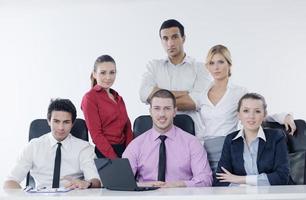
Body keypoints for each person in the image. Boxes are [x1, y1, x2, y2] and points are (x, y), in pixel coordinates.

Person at [200, 44, 296, 172]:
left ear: (229, 65)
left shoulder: (238, 91)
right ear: (207, 67)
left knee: (223, 185)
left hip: (227, 145)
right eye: (211, 63)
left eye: (221, 62)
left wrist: (284, 116)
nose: (216, 67)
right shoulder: (201, 94)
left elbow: (256, 112)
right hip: (204, 149)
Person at [139, 19, 211, 143]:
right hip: (160, 136)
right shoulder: (154, 66)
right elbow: (144, 93)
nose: (170, 43)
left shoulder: (200, 68)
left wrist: (159, 95)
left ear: (183, 38)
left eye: (174, 37)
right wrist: (185, 93)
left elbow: (196, 101)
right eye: (165, 38)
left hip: (191, 135)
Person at [3, 99, 101, 189]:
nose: (61, 128)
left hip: (72, 196)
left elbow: (95, 181)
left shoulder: (84, 148)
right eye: (56, 121)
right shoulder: (33, 147)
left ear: (72, 123)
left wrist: (87, 183)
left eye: (66, 122)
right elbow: (10, 181)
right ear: (49, 121)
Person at [123, 89, 212, 187]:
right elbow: (122, 182)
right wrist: (147, 185)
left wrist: (181, 185)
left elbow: (205, 180)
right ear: (150, 111)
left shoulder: (192, 143)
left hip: (181, 196)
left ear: (174, 111)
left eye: (167, 108)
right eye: (157, 108)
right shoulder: (136, 145)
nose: (162, 114)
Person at [213, 93, 290, 186]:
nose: (251, 116)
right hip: (242, 196)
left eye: (257, 111)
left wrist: (240, 179)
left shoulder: (276, 137)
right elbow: (220, 180)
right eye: (246, 111)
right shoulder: (231, 140)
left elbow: (282, 177)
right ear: (238, 115)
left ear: (264, 115)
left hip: (274, 195)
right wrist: (246, 188)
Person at [81, 55, 133, 159]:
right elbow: (96, 135)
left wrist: (130, 152)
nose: (108, 77)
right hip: (105, 154)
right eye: (103, 72)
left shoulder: (118, 98)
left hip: (125, 151)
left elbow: (127, 127)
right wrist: (115, 160)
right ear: (95, 74)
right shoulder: (90, 98)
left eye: (112, 72)